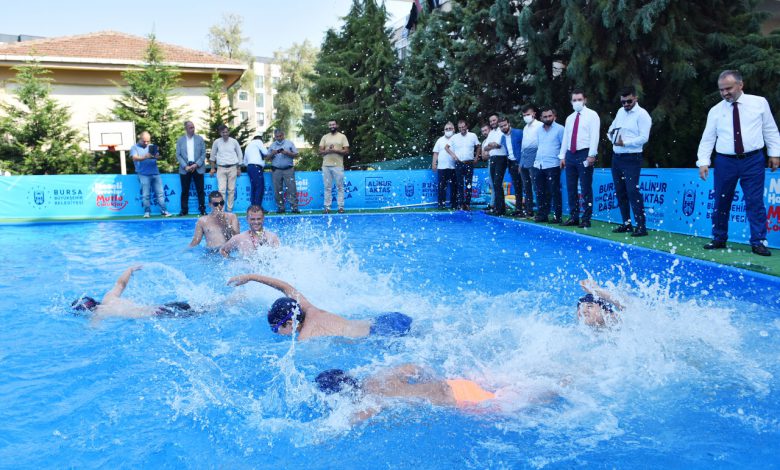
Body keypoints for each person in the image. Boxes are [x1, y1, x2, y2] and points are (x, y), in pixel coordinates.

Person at [697, 70, 780, 257]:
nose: (725, 93)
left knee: (754, 202)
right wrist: (703, 161)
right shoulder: (715, 111)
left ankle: (758, 241)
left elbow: (770, 130)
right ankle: (719, 238)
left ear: (740, 85)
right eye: (721, 90)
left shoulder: (759, 103)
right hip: (725, 162)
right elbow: (708, 138)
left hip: (753, 160)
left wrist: (775, 153)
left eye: (729, 88)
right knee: (721, 200)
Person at [226, 274, 412, 340]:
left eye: (276, 329)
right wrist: (250, 277)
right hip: (384, 320)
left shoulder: (306, 336)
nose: (276, 333)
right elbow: (285, 287)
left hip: (384, 336)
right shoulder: (309, 309)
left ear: (290, 323)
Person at [315, 364, 498, 422]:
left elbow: (355, 419)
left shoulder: (369, 401)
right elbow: (413, 367)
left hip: (465, 401)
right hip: (456, 383)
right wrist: (431, 383)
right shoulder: (377, 377)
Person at [71, 265, 197, 320]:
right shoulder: (108, 298)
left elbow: (93, 330)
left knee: (200, 312)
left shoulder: (97, 315)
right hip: (161, 306)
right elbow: (120, 284)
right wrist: (130, 270)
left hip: (157, 315)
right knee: (197, 306)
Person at [608, 86, 652, 237]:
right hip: (617, 157)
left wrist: (625, 143)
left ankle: (641, 226)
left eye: (629, 101)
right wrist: (613, 138)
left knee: (632, 191)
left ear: (636, 98)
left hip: (632, 157)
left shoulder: (642, 114)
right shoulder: (620, 112)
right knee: (620, 191)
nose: (626, 105)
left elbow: (644, 138)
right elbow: (611, 130)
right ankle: (626, 223)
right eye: (623, 102)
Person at [559, 89, 600, 228]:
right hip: (570, 154)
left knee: (585, 187)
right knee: (571, 187)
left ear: (585, 100)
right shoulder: (570, 118)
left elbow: (595, 135)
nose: (577, 102)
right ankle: (574, 216)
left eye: (579, 99)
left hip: (584, 153)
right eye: (574, 100)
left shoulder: (592, 115)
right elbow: (566, 138)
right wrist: (562, 156)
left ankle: (586, 218)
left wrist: (592, 154)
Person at [533, 107, 565, 223]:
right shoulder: (538, 130)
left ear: (554, 116)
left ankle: (557, 216)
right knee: (540, 191)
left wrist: (563, 159)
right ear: (541, 118)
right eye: (545, 116)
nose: (547, 118)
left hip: (553, 164)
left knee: (554, 191)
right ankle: (542, 215)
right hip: (539, 164)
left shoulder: (560, 129)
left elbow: (564, 146)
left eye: (549, 116)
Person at [130, 131, 172, 218]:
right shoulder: (134, 147)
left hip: (155, 173)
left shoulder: (152, 146)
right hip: (143, 174)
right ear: (139, 139)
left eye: (147, 141)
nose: (146, 143)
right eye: (144, 141)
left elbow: (158, 157)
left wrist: (157, 156)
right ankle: (147, 212)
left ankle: (164, 210)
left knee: (160, 193)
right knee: (146, 194)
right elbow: (134, 158)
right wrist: (145, 157)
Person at [445, 120, 480, 210]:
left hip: (469, 163)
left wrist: (476, 157)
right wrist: (453, 155)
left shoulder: (473, 135)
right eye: (460, 127)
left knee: (469, 184)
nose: (462, 129)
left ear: (466, 126)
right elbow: (446, 147)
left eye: (463, 127)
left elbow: (478, 146)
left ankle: (467, 204)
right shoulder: (455, 137)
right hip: (459, 163)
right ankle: (460, 204)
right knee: (460, 184)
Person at [175, 121, 207, 216]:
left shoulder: (200, 139)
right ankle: (184, 210)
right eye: (190, 128)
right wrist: (185, 166)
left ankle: (202, 209)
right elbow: (178, 155)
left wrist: (196, 164)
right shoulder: (180, 140)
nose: (193, 129)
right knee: (185, 190)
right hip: (185, 168)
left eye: (193, 127)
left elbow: (203, 153)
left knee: (200, 190)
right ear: (186, 129)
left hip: (198, 167)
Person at [209, 124, 243, 212]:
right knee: (221, 190)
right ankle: (222, 210)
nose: (225, 134)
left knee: (231, 190)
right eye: (223, 132)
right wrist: (212, 168)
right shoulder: (216, 142)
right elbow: (212, 156)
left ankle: (229, 209)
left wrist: (239, 168)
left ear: (228, 132)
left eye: (226, 132)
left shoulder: (234, 141)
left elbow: (240, 154)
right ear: (220, 133)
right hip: (221, 168)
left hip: (233, 167)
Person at [319, 120, 350, 214]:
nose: (332, 126)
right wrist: (328, 150)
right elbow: (320, 151)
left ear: (337, 125)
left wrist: (336, 150)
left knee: (340, 187)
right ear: (328, 126)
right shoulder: (325, 137)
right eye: (330, 125)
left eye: (333, 124)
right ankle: (327, 207)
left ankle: (340, 207)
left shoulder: (342, 136)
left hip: (338, 165)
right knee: (327, 187)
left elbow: (347, 151)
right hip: (326, 165)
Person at [268, 129, 300, 214]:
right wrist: (273, 153)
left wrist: (287, 153)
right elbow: (267, 158)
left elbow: (296, 155)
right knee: (277, 189)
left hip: (288, 169)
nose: (278, 138)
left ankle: (294, 207)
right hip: (276, 170)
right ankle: (281, 207)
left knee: (291, 189)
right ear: (275, 137)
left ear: (283, 135)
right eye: (277, 136)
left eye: (280, 136)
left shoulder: (290, 143)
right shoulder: (272, 145)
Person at [520, 104, 543, 218]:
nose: (526, 117)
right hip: (524, 156)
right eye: (524, 115)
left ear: (534, 113)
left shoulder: (540, 125)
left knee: (536, 186)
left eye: (528, 114)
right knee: (526, 186)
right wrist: (521, 162)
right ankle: (529, 210)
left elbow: (542, 143)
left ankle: (541, 211)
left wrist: (538, 159)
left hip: (535, 155)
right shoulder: (525, 127)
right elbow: (523, 145)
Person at [497, 117, 524, 216]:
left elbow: (525, 147)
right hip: (511, 164)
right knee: (517, 187)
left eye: (504, 125)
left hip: (522, 163)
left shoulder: (519, 133)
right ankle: (518, 209)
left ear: (509, 123)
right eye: (501, 126)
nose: (503, 127)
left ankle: (529, 211)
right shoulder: (503, 137)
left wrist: (522, 162)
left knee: (527, 186)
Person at [484, 114, 510, 215]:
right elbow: (486, 147)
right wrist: (492, 145)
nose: (492, 123)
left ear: (498, 120)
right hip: (492, 159)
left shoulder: (502, 131)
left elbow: (498, 145)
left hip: (501, 158)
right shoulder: (491, 133)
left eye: (494, 120)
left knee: (497, 183)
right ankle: (497, 207)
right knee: (494, 184)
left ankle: (500, 209)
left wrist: (493, 145)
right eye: (490, 121)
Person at [432, 122, 457, 209]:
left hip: (454, 167)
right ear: (444, 131)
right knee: (442, 186)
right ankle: (441, 204)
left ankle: (454, 204)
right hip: (442, 167)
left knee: (454, 186)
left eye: (450, 128)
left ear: (454, 129)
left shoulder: (457, 139)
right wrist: (434, 163)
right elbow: (436, 153)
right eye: (446, 129)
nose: (448, 130)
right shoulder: (440, 140)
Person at [244, 135, 269, 211]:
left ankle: (253, 207)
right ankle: (258, 208)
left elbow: (244, 161)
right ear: (260, 140)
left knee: (254, 187)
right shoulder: (258, 142)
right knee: (259, 188)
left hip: (250, 167)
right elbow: (266, 152)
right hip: (256, 167)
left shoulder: (248, 146)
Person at [479, 123, 494, 210]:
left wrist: (489, 153)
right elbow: (484, 156)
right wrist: (490, 153)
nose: (484, 132)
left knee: (497, 184)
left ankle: (497, 205)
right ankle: (492, 204)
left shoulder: (495, 138)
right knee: (492, 184)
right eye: (483, 131)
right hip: (490, 163)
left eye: (486, 130)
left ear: (490, 130)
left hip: (498, 162)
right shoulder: (484, 142)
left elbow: (495, 152)